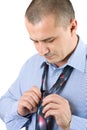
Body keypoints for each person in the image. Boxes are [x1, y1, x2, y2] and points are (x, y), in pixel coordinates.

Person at [0, 0, 87, 130]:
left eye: (49, 40)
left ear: (72, 27)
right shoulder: (32, 65)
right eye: (35, 41)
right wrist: (18, 109)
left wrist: (71, 123)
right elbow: (3, 104)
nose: (41, 51)